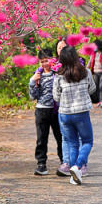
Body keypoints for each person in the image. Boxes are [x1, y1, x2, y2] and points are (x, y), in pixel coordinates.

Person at [53, 45, 96, 185]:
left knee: (72, 143)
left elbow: (56, 97)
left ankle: (73, 176)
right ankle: (78, 166)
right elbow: (92, 89)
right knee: (88, 141)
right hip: (81, 113)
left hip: (64, 114)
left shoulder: (58, 76)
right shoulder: (86, 72)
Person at [29, 48, 65, 176]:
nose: (45, 64)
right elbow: (33, 96)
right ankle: (41, 164)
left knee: (60, 138)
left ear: (53, 60)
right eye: (42, 61)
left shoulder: (58, 74)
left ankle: (64, 162)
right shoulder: (37, 75)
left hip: (57, 111)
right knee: (41, 139)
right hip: (42, 110)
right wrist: (32, 82)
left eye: (47, 60)